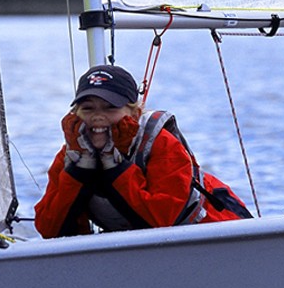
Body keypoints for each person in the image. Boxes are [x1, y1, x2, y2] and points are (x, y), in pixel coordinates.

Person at [34, 64, 252, 238]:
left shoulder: (161, 144)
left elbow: (162, 221)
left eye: (110, 108)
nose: (98, 117)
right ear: (75, 113)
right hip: (142, 251)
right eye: (88, 108)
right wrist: (80, 170)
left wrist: (114, 166)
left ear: (134, 112)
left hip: (218, 232)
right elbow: (49, 229)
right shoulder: (71, 156)